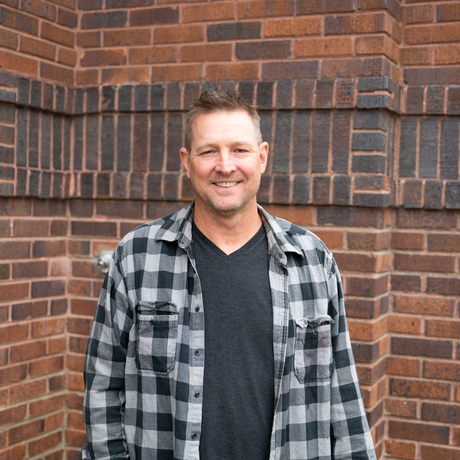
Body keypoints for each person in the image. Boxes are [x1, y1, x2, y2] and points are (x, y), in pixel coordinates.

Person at [82, 88, 376, 460]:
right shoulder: (138, 256)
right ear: (187, 162)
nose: (225, 165)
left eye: (239, 149)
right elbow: (103, 386)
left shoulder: (313, 259)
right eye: (209, 151)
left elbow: (342, 390)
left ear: (262, 156)